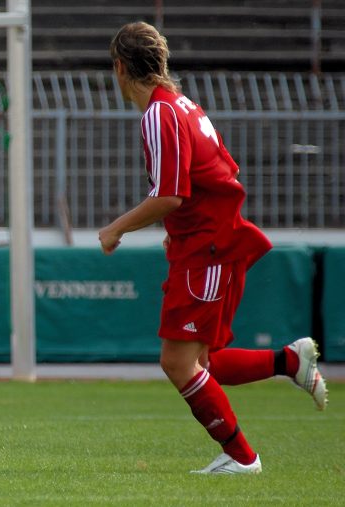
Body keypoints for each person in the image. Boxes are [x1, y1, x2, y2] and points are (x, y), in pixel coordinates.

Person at [99, 22, 328, 475]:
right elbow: (217, 172)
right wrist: (181, 228)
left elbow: (171, 193)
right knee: (203, 361)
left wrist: (116, 229)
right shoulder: (182, 106)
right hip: (206, 241)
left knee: (178, 362)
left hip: (207, 248)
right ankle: (289, 360)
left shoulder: (160, 114)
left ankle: (243, 458)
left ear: (121, 68)